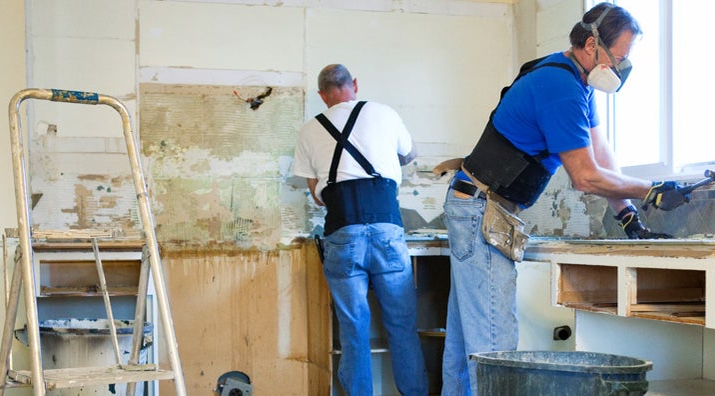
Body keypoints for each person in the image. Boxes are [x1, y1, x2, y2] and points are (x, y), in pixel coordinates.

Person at [435, 3, 692, 394]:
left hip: (475, 206)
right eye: (620, 57)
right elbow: (585, 177)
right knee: (493, 342)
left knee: (466, 342)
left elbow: (601, 156)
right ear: (592, 45)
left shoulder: (576, 80)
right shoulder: (560, 88)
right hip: (481, 210)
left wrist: (629, 216)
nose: (623, 68)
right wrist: (650, 191)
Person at [293, 64, 428, 396]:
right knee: (401, 326)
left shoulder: (310, 130)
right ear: (353, 84)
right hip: (387, 227)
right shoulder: (384, 113)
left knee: (354, 328)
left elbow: (316, 195)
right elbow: (410, 155)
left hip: (343, 230)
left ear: (322, 95)